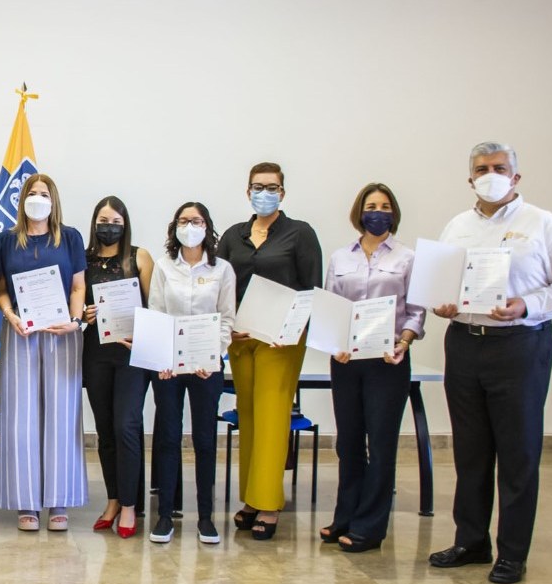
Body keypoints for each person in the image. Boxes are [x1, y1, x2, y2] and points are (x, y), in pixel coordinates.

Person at [427, 142, 552, 584]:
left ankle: (513, 552)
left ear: (515, 177)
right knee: (470, 450)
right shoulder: (457, 227)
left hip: (519, 345)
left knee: (518, 452)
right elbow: (440, 283)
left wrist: (527, 305)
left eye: (499, 168)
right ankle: (471, 541)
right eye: (482, 169)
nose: (490, 175)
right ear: (470, 179)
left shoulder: (542, 223)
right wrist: (441, 304)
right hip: (465, 343)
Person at [217, 162, 322, 540]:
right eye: (258, 187)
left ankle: (269, 503)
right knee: (248, 416)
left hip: (281, 341)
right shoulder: (233, 236)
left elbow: (312, 288)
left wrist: (293, 330)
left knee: (273, 416)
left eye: (272, 187)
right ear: (248, 192)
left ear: (283, 192)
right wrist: (226, 327)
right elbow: (220, 284)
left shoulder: (300, 233)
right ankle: (251, 497)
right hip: (241, 339)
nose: (265, 193)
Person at [320, 183, 424, 553]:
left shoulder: (408, 258)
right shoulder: (340, 258)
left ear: (393, 213)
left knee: (380, 443)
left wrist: (404, 342)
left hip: (387, 361)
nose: (377, 212)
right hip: (347, 360)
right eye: (371, 206)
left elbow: (416, 310)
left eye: (384, 206)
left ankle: (370, 526)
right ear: (359, 212)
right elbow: (330, 305)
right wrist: (334, 344)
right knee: (348, 442)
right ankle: (345, 516)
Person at [0, 173, 88, 532]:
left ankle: (59, 500)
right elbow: (0, 289)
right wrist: (10, 315)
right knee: (21, 417)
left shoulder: (71, 237)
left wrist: (75, 321)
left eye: (44, 194)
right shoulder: (6, 240)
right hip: (21, 331)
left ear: (54, 200)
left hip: (62, 333)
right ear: (21, 200)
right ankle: (26, 501)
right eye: (31, 193)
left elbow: (78, 287)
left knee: (61, 415)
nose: (37, 198)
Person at [147, 202, 235, 546]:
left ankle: (206, 517)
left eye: (196, 221)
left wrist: (213, 357)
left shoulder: (222, 269)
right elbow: (156, 313)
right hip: (169, 368)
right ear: (175, 228)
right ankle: (165, 515)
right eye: (184, 221)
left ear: (207, 227)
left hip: (205, 369)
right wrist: (162, 357)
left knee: (205, 440)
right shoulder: (163, 266)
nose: (190, 226)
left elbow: (226, 319)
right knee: (168, 438)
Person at [81, 196, 154, 538]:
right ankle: (112, 500)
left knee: (127, 426)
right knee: (106, 430)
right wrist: (83, 314)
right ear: (94, 223)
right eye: (103, 221)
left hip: (131, 355)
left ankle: (129, 505)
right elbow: (75, 302)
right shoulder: (82, 259)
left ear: (125, 225)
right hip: (95, 353)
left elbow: (155, 306)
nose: (108, 227)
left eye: (115, 222)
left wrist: (142, 328)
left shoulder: (139, 257)